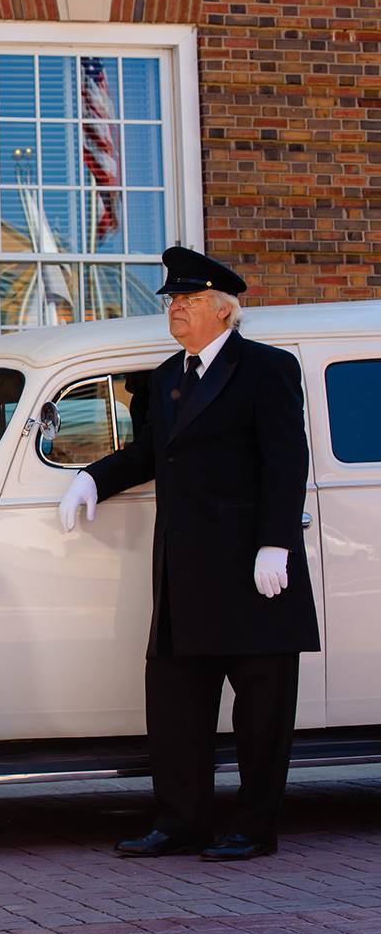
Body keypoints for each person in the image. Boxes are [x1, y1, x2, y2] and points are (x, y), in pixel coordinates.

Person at [58, 246, 319, 861]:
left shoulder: (266, 369)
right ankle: (182, 821)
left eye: (189, 300)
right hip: (185, 569)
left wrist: (275, 544)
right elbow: (152, 451)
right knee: (176, 706)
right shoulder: (169, 376)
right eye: (173, 300)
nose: (176, 310)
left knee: (261, 713)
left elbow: (286, 462)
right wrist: (93, 478)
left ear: (224, 312)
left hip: (255, 569)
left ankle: (253, 829)